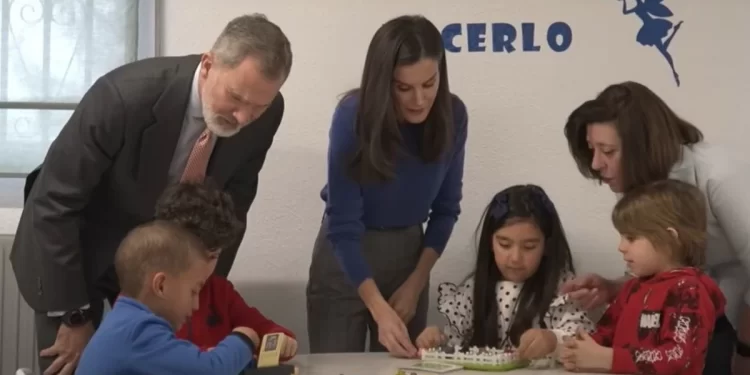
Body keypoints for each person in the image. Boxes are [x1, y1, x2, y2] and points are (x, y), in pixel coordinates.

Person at [10, 13, 291, 375]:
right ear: (208, 65)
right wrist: (74, 316)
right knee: (72, 363)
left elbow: (235, 200)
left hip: (162, 259)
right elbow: (54, 204)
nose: (242, 116)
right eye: (235, 97)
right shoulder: (123, 97)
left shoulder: (267, 114)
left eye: (259, 106)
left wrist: (204, 283)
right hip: (77, 248)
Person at [306, 15, 467, 358]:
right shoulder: (353, 115)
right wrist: (379, 308)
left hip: (411, 256)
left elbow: (446, 210)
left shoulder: (454, 115)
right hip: (345, 254)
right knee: (338, 367)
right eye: (403, 87)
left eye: (429, 83)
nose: (420, 99)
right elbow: (343, 223)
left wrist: (416, 282)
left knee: (406, 364)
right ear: (382, 82)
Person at [560, 81, 748, 374]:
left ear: (643, 147)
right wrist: (614, 288)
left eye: (608, 151)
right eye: (591, 150)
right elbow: (670, 269)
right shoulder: (643, 187)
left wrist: (745, 352)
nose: (596, 163)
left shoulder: (720, 176)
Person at [559, 179, 726, 375]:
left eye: (631, 238)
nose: (621, 247)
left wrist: (609, 359)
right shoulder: (632, 288)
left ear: (670, 239)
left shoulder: (689, 292)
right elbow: (605, 333)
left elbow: (678, 356)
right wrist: (577, 349)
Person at [414, 185, 594, 364]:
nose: (515, 258)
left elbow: (586, 339)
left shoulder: (563, 288)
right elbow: (457, 345)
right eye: (505, 244)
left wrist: (553, 340)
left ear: (546, 245)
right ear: (490, 243)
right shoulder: (474, 289)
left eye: (529, 246)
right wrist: (436, 339)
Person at [76, 220, 258, 374]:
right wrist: (244, 338)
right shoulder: (139, 331)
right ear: (161, 286)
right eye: (193, 291)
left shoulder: (125, 321)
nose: (196, 305)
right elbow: (212, 371)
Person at [154, 181, 298, 359]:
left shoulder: (220, 292)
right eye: (197, 254)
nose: (204, 266)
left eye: (213, 256)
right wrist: (221, 354)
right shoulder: (144, 293)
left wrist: (281, 342)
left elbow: (267, 330)